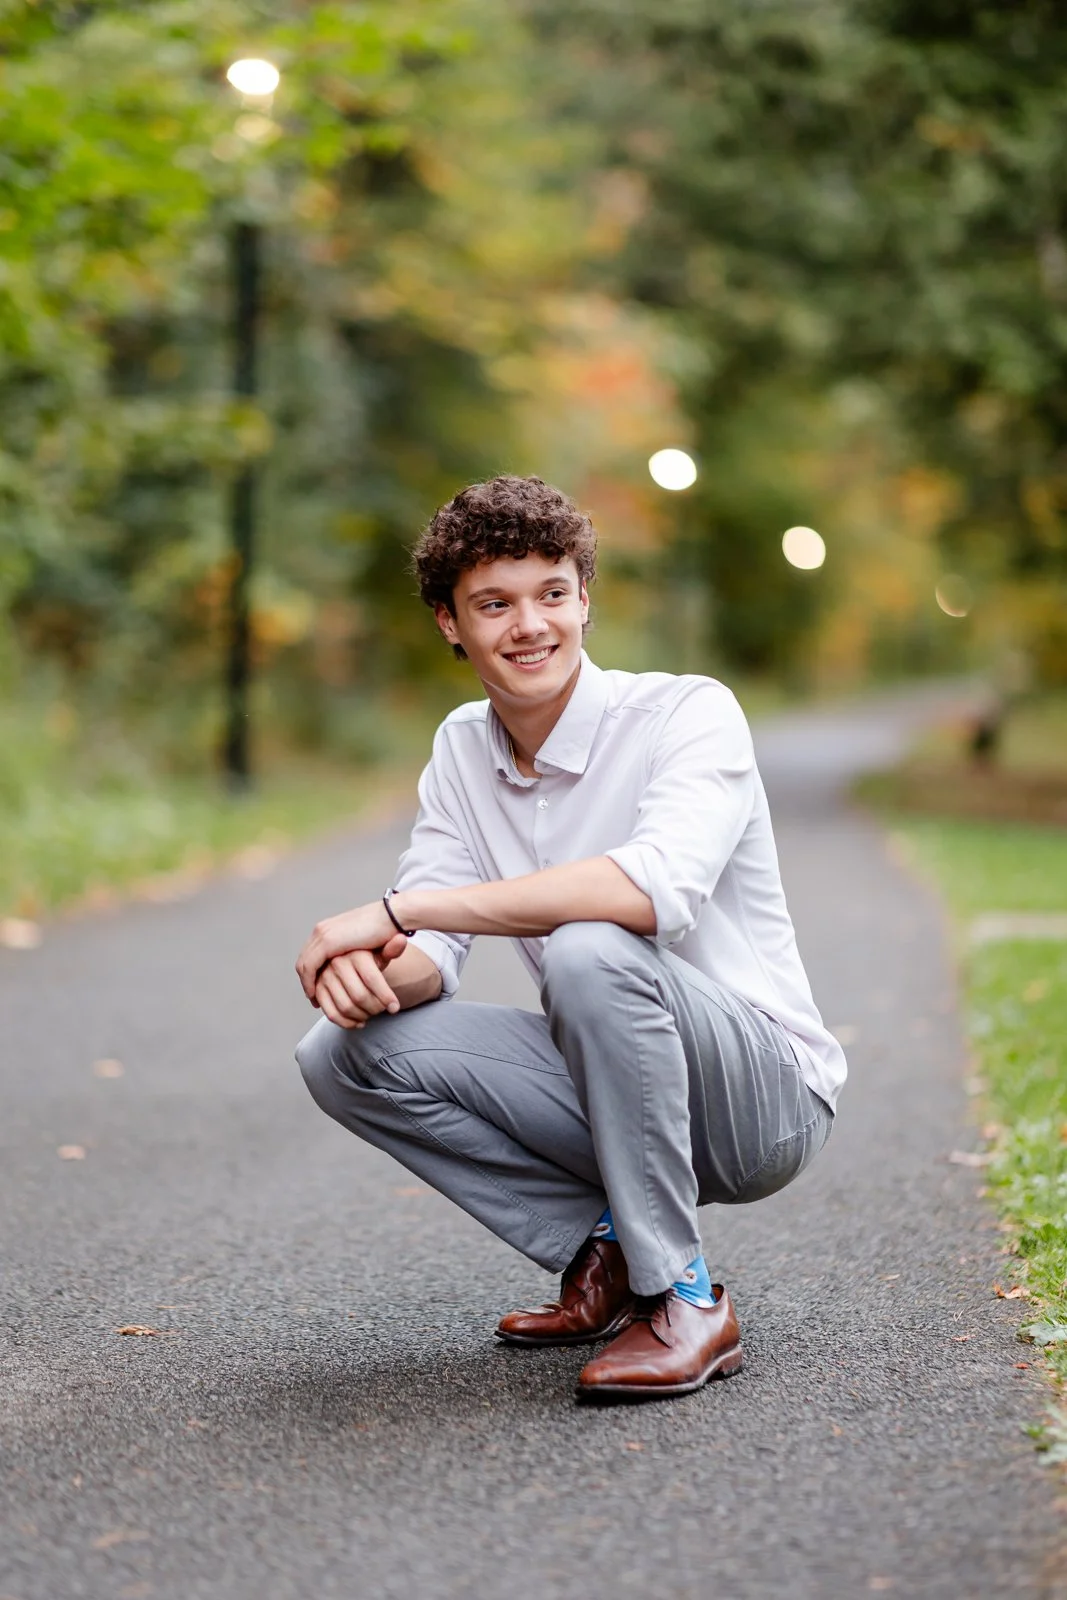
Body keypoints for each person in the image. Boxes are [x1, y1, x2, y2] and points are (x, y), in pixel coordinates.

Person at [295, 474, 845, 1403]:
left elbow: (650, 890)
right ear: (448, 623)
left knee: (592, 943)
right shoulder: (462, 748)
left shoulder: (686, 712)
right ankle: (610, 1246)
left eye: (552, 593)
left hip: (760, 1098)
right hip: (616, 1086)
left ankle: (686, 1299)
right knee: (338, 1054)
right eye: (493, 604)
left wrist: (393, 912)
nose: (529, 626)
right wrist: (375, 968)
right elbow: (434, 954)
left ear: (584, 599)